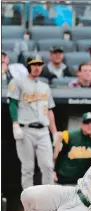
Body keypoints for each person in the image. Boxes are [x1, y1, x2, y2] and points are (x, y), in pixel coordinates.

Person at [7, 55, 58, 190]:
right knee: (28, 168)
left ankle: (48, 201)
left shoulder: (45, 86)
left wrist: (55, 132)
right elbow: (12, 104)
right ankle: (28, 205)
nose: (37, 67)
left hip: (43, 131)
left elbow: (49, 110)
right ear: (28, 66)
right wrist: (15, 124)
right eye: (34, 64)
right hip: (25, 130)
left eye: (39, 64)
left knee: (47, 166)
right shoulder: (17, 81)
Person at [53, 112, 91, 185]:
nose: (90, 125)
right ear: (81, 124)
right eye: (86, 122)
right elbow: (56, 155)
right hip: (64, 181)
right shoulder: (68, 136)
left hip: (83, 183)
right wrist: (53, 170)